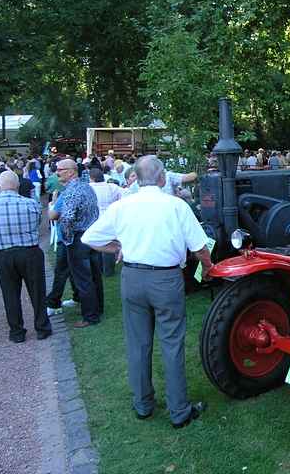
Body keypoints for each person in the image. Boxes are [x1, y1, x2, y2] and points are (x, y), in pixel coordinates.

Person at [81, 155, 213, 428]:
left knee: (138, 343)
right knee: (172, 343)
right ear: (162, 177)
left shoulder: (122, 206)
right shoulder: (176, 206)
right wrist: (209, 266)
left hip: (132, 277)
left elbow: (90, 238)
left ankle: (143, 404)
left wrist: (117, 248)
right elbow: (200, 247)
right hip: (165, 279)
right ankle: (179, 411)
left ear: (137, 179)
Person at [0, 171, 52, 343]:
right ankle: (42, 328)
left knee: (10, 294)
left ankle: (17, 332)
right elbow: (37, 224)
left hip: (2, 254)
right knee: (37, 292)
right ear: (18, 185)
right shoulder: (31, 204)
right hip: (29, 252)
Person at [54, 159, 103, 328]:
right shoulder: (87, 187)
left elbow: (66, 218)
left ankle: (90, 316)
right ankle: (97, 309)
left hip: (78, 238)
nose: (57, 172)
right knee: (95, 276)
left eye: (60, 169)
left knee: (83, 279)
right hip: (91, 236)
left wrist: (67, 238)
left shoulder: (71, 191)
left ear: (71, 171)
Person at [46, 191, 80, 316]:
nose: (59, 173)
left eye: (61, 170)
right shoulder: (84, 190)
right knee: (73, 270)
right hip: (78, 237)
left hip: (66, 237)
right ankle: (77, 297)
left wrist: (54, 201)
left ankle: (53, 302)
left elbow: (52, 215)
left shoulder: (67, 193)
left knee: (61, 271)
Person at [89, 168, 123, 275]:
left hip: (94, 217)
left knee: (96, 242)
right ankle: (108, 270)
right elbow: (124, 195)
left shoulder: (89, 187)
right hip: (109, 216)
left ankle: (98, 268)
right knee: (108, 242)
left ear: (92, 178)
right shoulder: (112, 187)